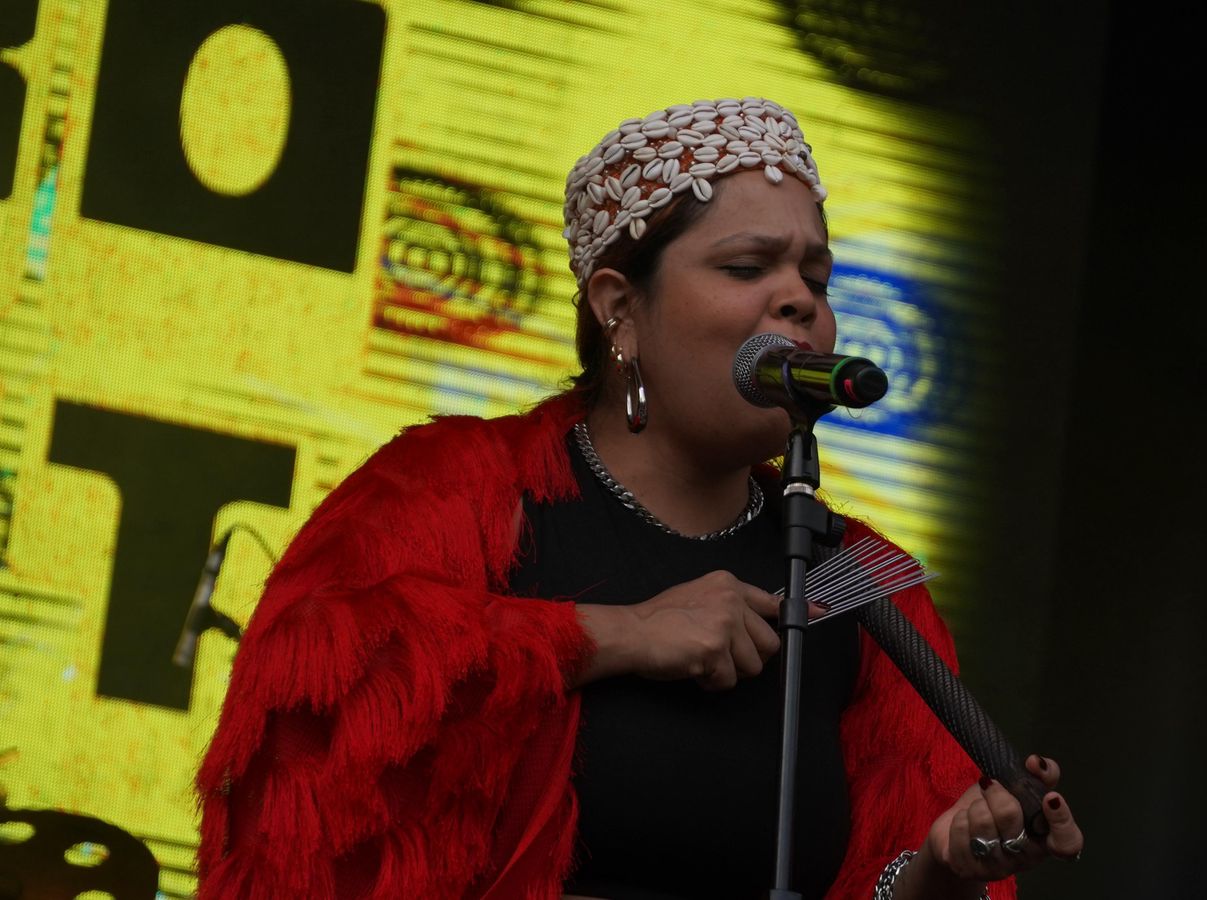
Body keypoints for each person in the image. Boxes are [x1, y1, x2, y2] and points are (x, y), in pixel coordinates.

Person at [196, 97, 1084, 900]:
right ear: (620, 309)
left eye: (817, 280)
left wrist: (938, 872)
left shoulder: (862, 586)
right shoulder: (456, 491)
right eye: (749, 266)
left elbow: (884, 873)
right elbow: (309, 715)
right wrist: (612, 636)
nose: (798, 301)